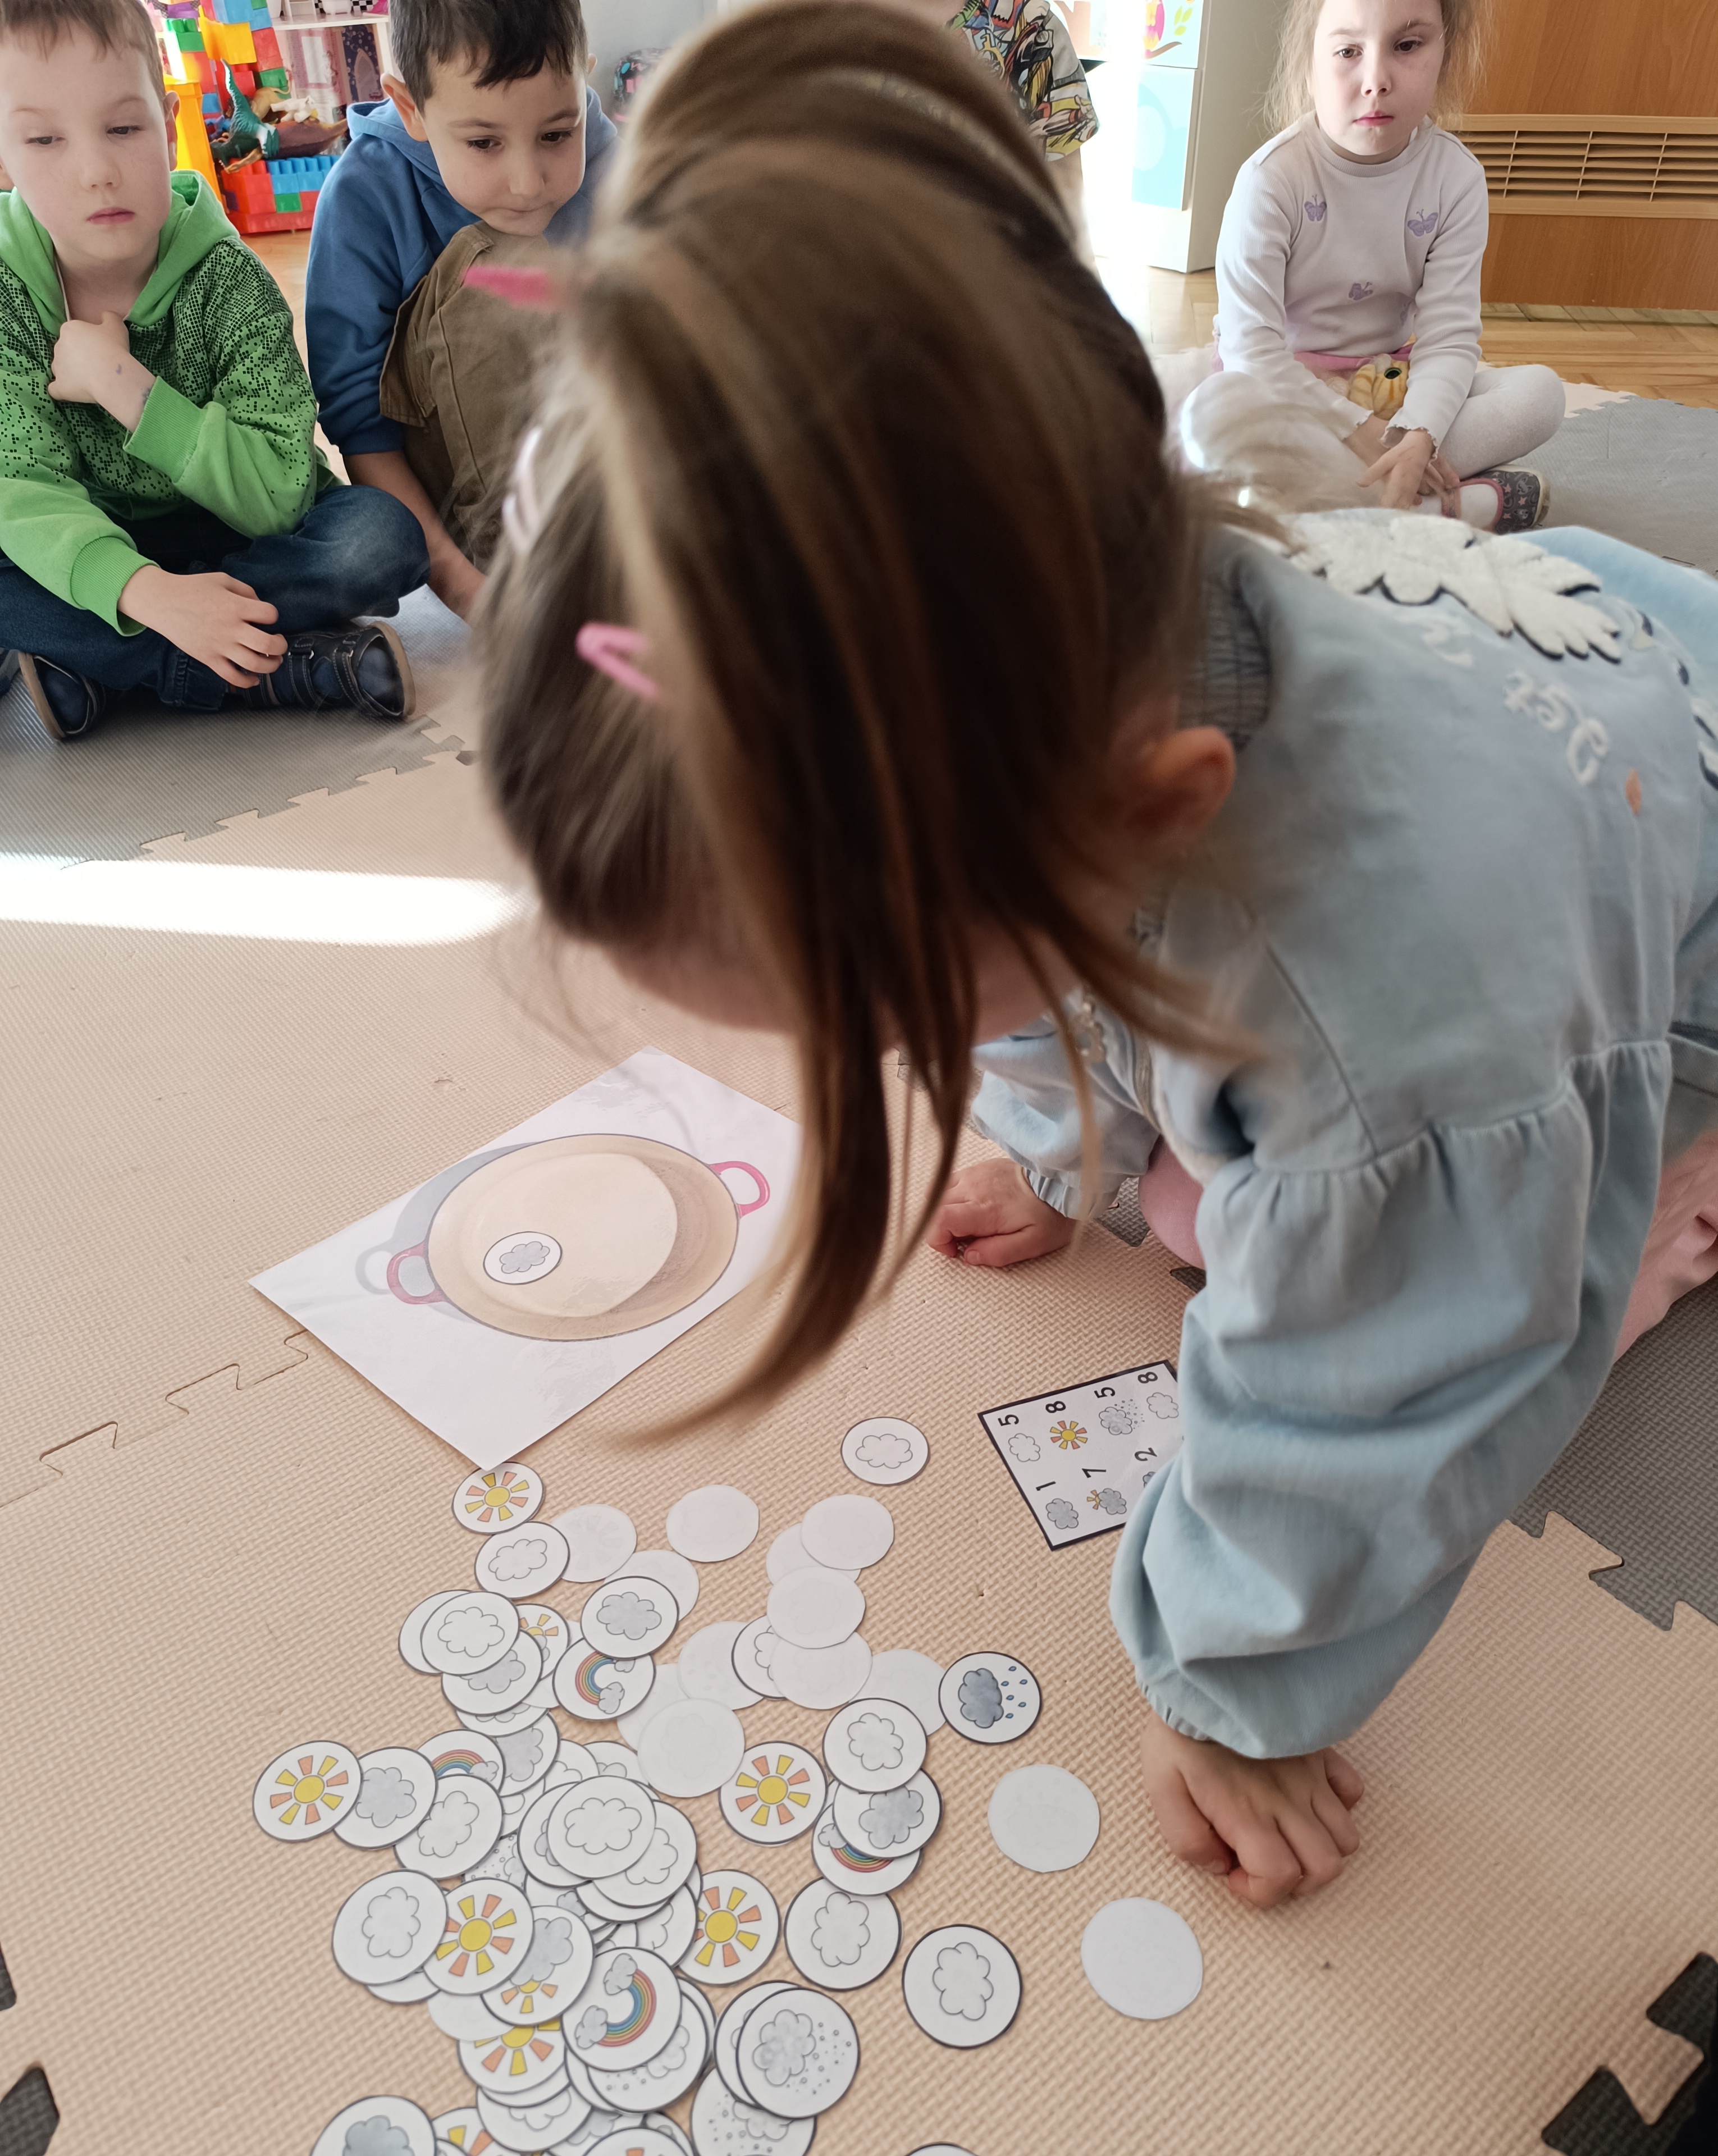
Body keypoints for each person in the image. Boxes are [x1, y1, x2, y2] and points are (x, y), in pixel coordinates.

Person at [477, 0, 1718, 1908]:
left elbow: (1367, 1416)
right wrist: (1054, 1149)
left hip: (1664, 908)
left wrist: (1234, 1688)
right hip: (1563, 671)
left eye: (878, 1015)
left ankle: (1632, 1191)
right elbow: (1036, 942)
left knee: (1387, 1256)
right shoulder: (1109, 662)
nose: (869, 1064)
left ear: (1148, 811)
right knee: (1219, 1201)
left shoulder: (1396, 1032)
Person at [0, 0, 426, 743]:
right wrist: (146, 592)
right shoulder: (7, 293)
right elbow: (22, 493)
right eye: (44, 139)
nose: (97, 172)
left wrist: (128, 389)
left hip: (245, 542)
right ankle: (274, 670)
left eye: (124, 129)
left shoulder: (230, 280)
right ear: (5, 156)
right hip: (96, 545)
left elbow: (280, 497)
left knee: (380, 538)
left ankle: (109, 669)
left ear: (169, 126)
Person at [1179, 0, 1565, 532]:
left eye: (1407, 46)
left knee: (1540, 395)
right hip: (1290, 397)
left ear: (1445, 52)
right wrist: (1361, 433)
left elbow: (1449, 339)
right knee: (1210, 415)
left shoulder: (1457, 179)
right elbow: (1252, 352)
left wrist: (1419, 435)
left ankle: (1338, 497)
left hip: (1392, 386)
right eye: (1348, 51)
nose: (1377, 81)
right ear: (1309, 64)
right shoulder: (1270, 180)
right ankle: (1439, 507)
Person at [305, 0, 616, 621]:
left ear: (583, 82)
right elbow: (361, 425)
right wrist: (465, 586)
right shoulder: (364, 193)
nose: (528, 183)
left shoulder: (608, 156)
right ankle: (537, 580)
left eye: (557, 135)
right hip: (467, 498)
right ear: (410, 108)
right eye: (484, 143)